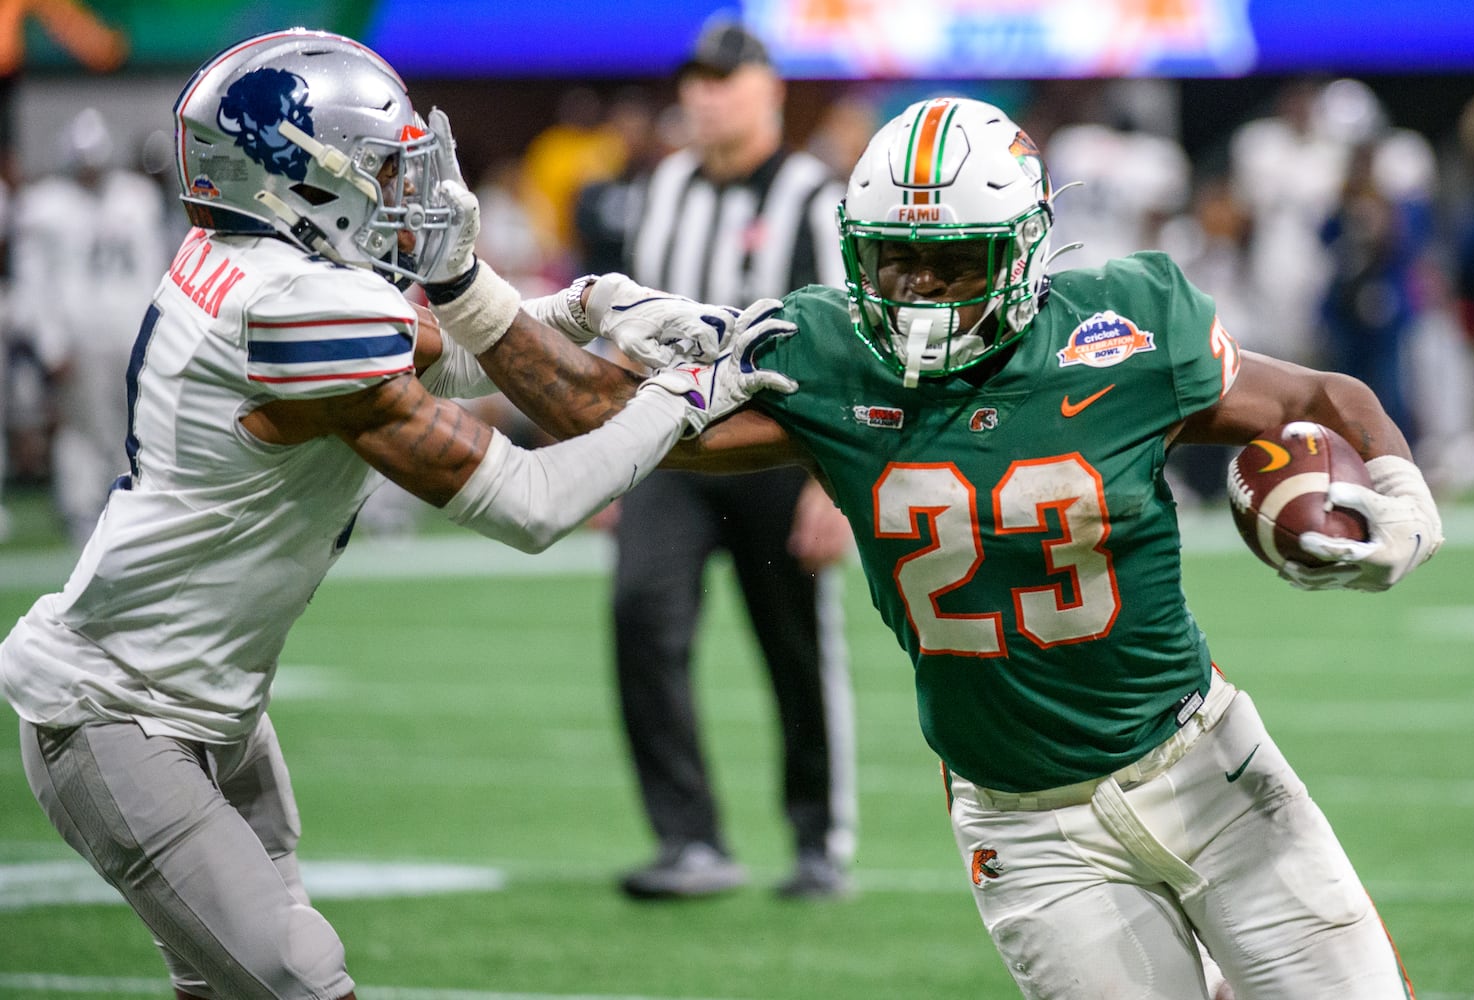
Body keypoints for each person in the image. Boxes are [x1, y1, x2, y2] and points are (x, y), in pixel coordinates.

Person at [431, 96, 1444, 999]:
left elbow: (1320, 398)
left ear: (1026, 246)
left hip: (1209, 770)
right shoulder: (822, 353)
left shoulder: (1124, 328)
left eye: (955, 260)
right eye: (892, 257)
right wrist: (468, 287)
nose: (917, 289)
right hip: (1028, 828)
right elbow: (593, 409)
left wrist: (1397, 492)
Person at [0, 29, 792, 1000]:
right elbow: (532, 502)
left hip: (204, 702)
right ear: (296, 175)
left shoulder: (254, 266)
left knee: (232, 985)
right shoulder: (289, 308)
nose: (399, 184)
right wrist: (687, 397)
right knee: (298, 976)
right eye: (378, 163)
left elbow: (434, 352)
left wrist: (589, 305)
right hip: (120, 709)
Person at [607, 17, 857, 900]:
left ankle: (818, 839)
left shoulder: (814, 194)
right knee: (641, 617)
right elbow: (623, 328)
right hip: (667, 449)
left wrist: (833, 485)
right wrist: (601, 456)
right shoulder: (661, 184)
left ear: (771, 89)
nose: (707, 96)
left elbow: (845, 345)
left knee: (794, 648)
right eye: (697, 81)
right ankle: (690, 840)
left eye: (726, 79)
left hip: (778, 457)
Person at [9, 106, 169, 547]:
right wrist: (50, 341)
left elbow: (155, 268)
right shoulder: (46, 207)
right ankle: (81, 508)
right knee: (80, 428)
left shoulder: (135, 198)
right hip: (79, 337)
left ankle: (126, 505)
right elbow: (32, 278)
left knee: (133, 425)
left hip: (129, 332)